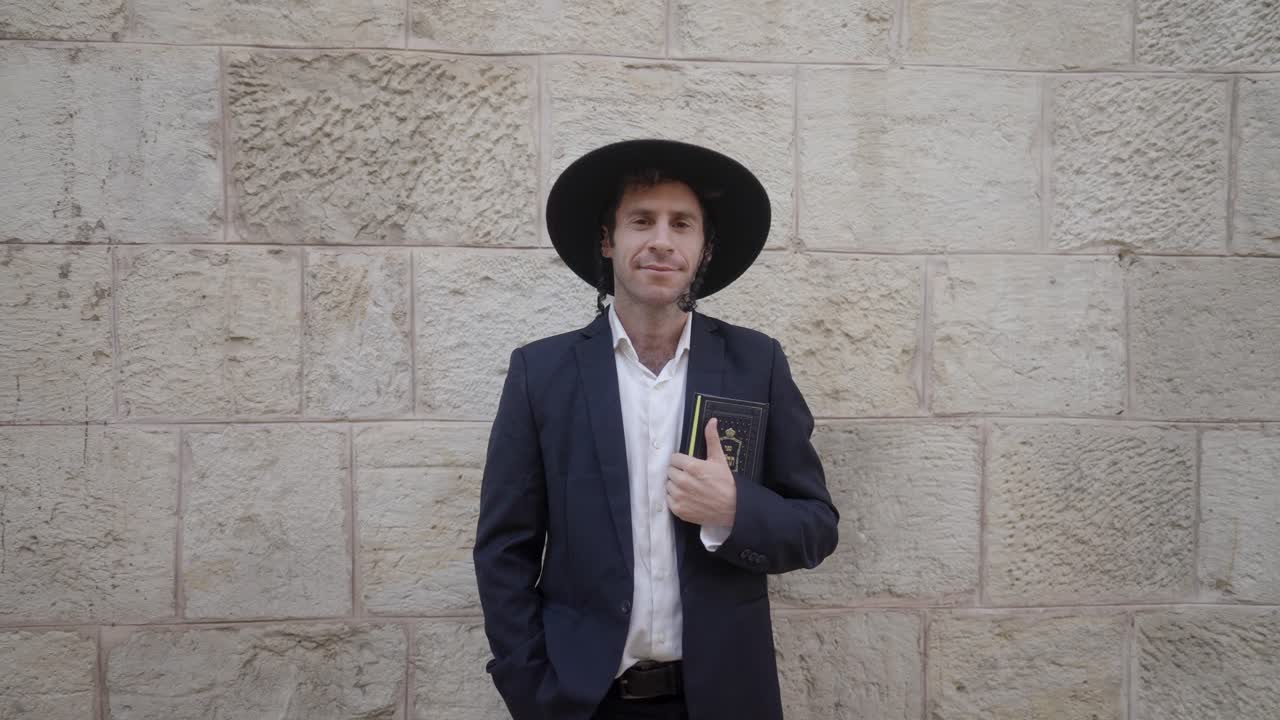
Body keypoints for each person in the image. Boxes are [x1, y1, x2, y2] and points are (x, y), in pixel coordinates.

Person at [474, 139, 839, 720]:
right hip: (583, 701)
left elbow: (816, 527)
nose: (662, 241)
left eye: (682, 224)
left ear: (704, 245)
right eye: (641, 220)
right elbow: (504, 549)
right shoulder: (540, 374)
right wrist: (530, 685)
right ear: (607, 239)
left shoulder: (756, 364)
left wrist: (732, 508)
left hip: (722, 699)